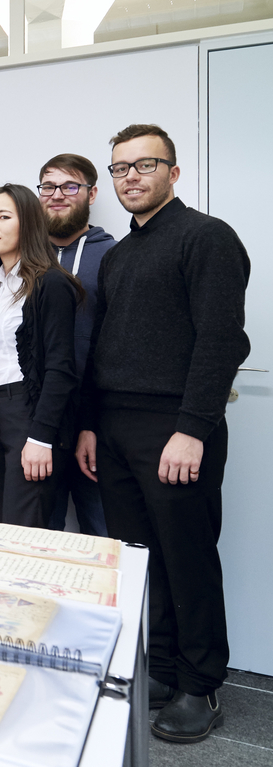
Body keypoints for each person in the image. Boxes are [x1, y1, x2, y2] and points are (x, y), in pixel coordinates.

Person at [76, 124, 250, 743]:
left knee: (188, 557)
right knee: (144, 561)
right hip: (118, 428)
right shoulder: (121, 255)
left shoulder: (207, 238)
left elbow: (222, 341)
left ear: (173, 173)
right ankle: (167, 668)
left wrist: (193, 428)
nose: (131, 177)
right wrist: (94, 425)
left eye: (144, 165)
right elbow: (104, 349)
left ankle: (201, 685)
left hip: (175, 427)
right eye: (120, 168)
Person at [0, 184, 80, 528]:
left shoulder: (51, 284)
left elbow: (61, 368)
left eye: (3, 217)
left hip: (29, 417)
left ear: (28, 223)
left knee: (26, 531)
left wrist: (41, 436)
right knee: (0, 529)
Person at [38, 154, 115, 535]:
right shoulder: (22, 259)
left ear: (92, 193)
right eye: (49, 186)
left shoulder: (114, 256)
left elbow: (117, 347)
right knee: (38, 535)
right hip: (36, 422)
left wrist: (94, 423)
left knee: (104, 535)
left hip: (94, 423)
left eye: (70, 186)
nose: (58, 195)